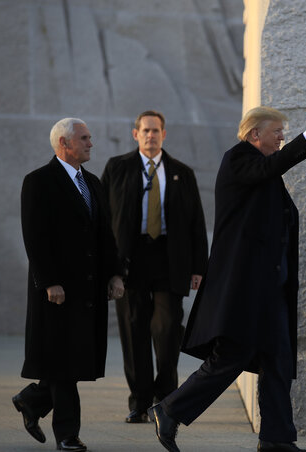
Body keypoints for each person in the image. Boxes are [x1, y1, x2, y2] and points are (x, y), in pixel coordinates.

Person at [148, 104, 306, 452]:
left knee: (278, 361)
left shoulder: (261, 168)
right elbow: (271, 166)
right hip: (244, 289)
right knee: (232, 356)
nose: (281, 138)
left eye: (284, 134)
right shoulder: (239, 159)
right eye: (277, 132)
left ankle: (276, 438)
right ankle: (169, 409)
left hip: (268, 289)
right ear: (254, 134)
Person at [13, 118, 124, 452]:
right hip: (57, 292)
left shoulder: (93, 183)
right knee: (64, 364)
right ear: (64, 143)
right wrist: (49, 282)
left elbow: (106, 235)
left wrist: (115, 274)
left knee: (72, 360)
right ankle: (67, 435)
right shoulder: (38, 182)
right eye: (84, 138)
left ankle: (32, 400)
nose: (91, 143)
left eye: (90, 137)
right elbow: (35, 237)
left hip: (87, 291)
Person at [101, 110, 208, 423]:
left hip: (169, 261)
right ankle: (139, 402)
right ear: (135, 134)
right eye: (145, 130)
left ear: (164, 134)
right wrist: (111, 268)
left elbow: (196, 224)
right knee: (133, 332)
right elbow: (104, 220)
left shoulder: (181, 172)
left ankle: (166, 401)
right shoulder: (117, 168)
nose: (151, 135)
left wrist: (198, 267)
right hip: (130, 262)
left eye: (156, 130)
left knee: (167, 331)